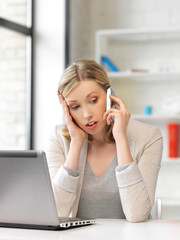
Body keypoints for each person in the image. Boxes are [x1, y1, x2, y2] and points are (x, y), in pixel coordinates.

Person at [46, 59, 163, 223]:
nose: (87, 115)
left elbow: (137, 214)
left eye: (93, 100)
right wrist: (76, 143)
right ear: (67, 110)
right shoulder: (58, 139)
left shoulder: (148, 136)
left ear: (110, 96)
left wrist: (121, 138)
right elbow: (56, 212)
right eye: (75, 107)